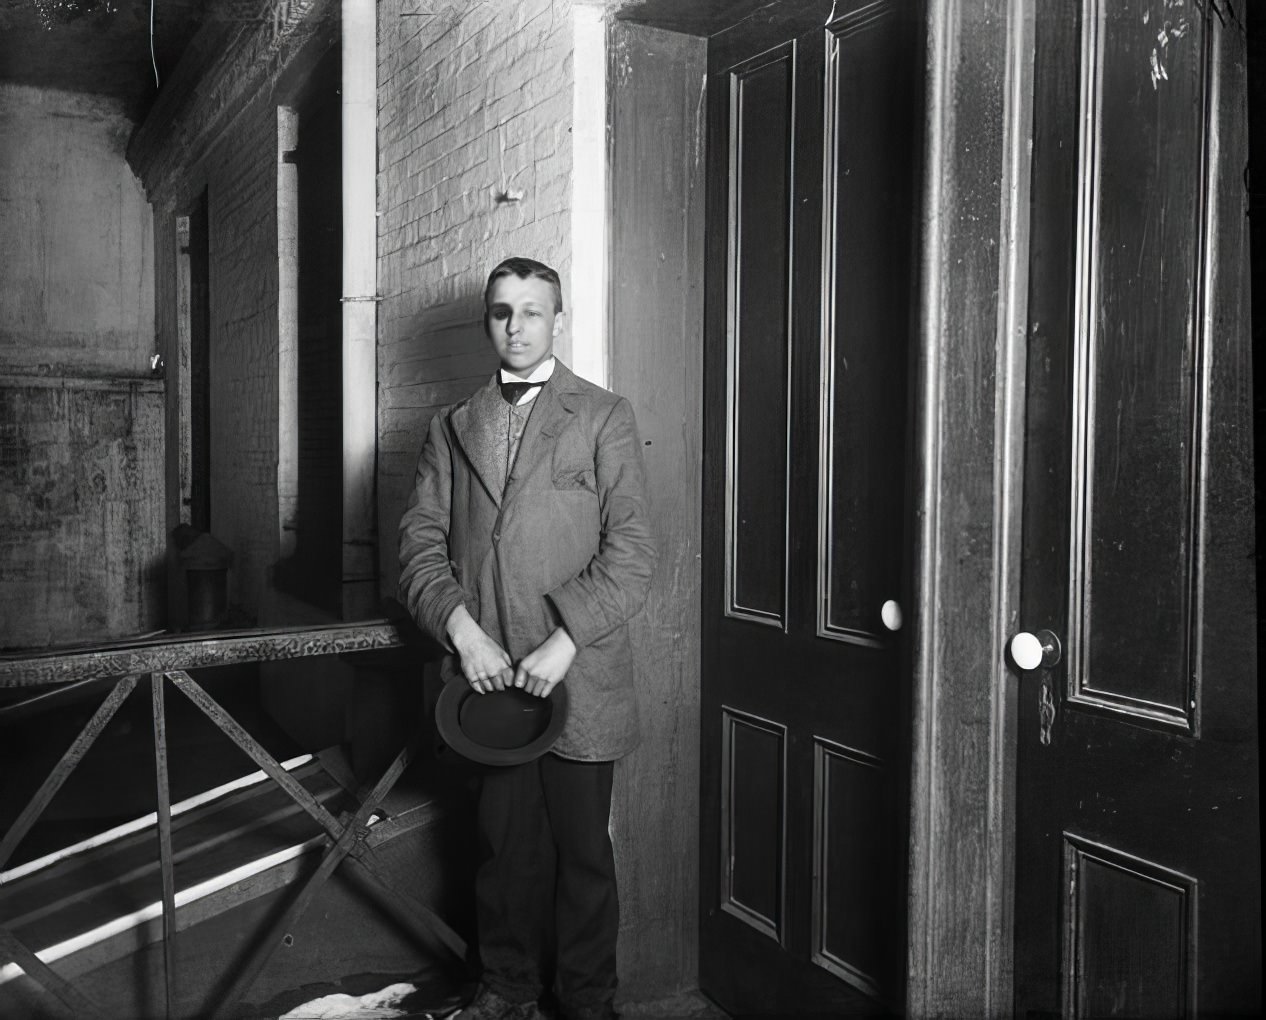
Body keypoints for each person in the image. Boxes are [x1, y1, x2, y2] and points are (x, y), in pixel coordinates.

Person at [397, 257, 656, 1020]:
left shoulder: (605, 415)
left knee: (583, 856)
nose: (516, 327)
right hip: (490, 681)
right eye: (502, 312)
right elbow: (418, 543)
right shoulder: (452, 425)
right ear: (487, 321)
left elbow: (634, 550)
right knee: (503, 852)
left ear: (557, 319)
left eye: (532, 312)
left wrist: (566, 639)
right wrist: (461, 630)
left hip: (580, 674)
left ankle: (587, 1002)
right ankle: (505, 990)